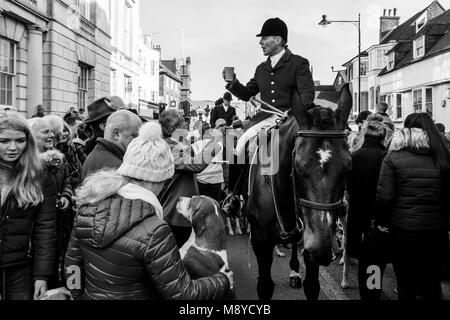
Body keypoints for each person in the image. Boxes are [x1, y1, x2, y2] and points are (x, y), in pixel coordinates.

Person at [65, 121, 232, 300]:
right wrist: (223, 280)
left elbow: (72, 267)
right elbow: (183, 294)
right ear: (160, 179)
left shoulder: (87, 210)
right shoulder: (155, 231)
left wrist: (76, 293)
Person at [376, 113, 450, 300]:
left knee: (405, 283)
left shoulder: (393, 158)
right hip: (437, 231)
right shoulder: (443, 157)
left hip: (403, 231)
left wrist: (381, 222)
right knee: (431, 283)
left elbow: (385, 198)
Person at [223, 17, 315, 156]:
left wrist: (294, 114)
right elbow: (247, 94)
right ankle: (242, 178)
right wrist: (233, 82)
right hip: (265, 120)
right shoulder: (261, 69)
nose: (260, 42)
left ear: (278, 40)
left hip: (291, 121)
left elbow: (307, 97)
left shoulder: (298, 63)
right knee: (240, 147)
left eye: (264, 38)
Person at [0, 113, 56, 300]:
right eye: (4, 141)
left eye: (20, 140)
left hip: (21, 269)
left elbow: (45, 227)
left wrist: (42, 275)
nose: (13, 147)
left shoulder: (40, 174)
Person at [28, 116, 74, 288]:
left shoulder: (59, 159)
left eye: (52, 132)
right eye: (45, 132)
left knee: (54, 263)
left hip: (58, 224)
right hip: (37, 229)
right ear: (32, 135)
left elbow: (67, 181)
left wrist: (66, 196)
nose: (51, 136)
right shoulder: (27, 163)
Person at [158, 110, 214, 248]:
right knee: (176, 254)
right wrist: (216, 143)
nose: (186, 123)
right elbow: (196, 164)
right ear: (172, 128)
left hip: (180, 212)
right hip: (175, 216)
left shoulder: (173, 143)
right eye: (183, 121)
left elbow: (188, 144)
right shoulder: (170, 147)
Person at [346, 119, 388, 300]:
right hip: (377, 218)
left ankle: (367, 295)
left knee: (364, 262)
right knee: (375, 263)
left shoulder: (353, 157)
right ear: (383, 136)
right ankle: (372, 295)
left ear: (365, 135)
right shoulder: (385, 157)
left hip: (356, 217)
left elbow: (347, 188)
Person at [81, 110, 142, 181]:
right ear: (117, 134)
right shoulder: (116, 167)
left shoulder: (97, 153)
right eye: (134, 136)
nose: (138, 141)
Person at [192, 123, 224, 202]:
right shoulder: (219, 144)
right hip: (216, 178)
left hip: (202, 178)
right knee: (216, 203)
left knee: (204, 204)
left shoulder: (195, 145)